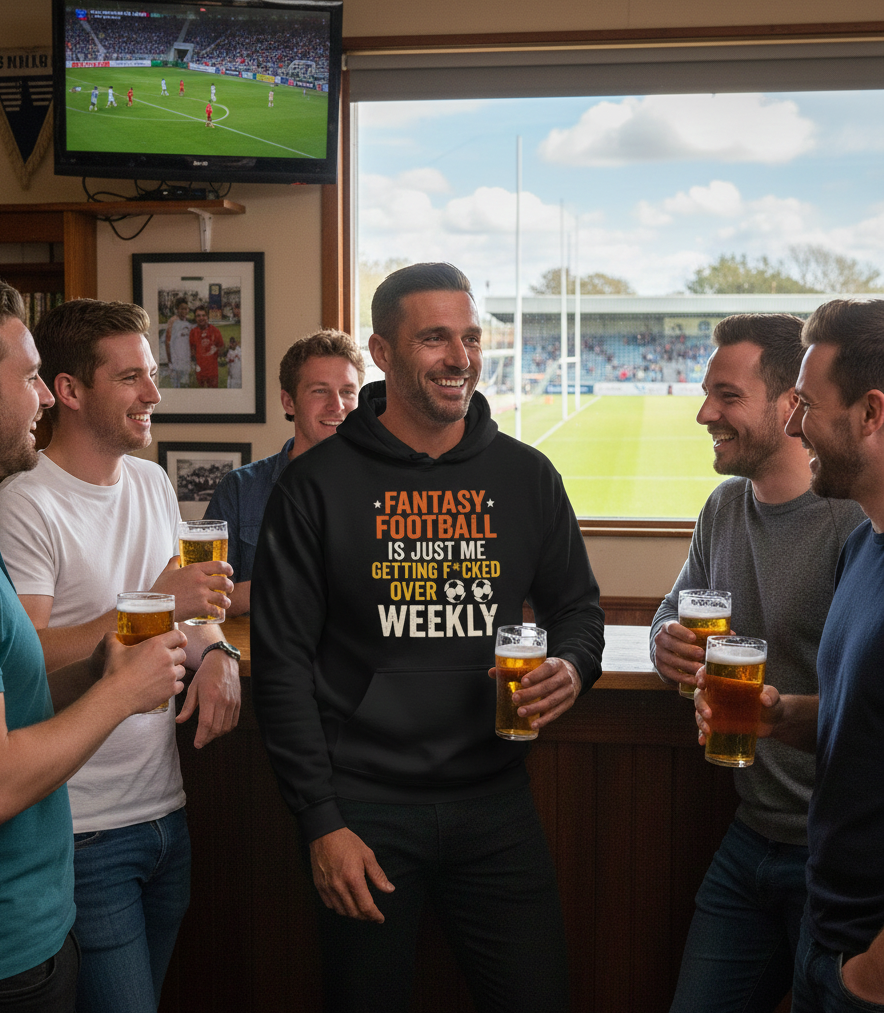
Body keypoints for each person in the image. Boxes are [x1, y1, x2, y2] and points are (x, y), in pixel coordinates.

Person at [251, 263, 604, 1013]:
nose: (461, 356)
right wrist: (321, 822)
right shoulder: (314, 487)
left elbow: (579, 611)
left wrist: (572, 669)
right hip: (365, 813)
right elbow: (280, 666)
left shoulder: (528, 475)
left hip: (497, 806)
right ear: (381, 352)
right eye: (435, 337)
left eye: (471, 336)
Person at [0, 298, 242, 1013]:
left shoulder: (154, 483)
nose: (153, 395)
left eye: (152, 374)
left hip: (164, 809)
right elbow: (27, 657)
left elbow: (183, 616)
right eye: (131, 377)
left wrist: (218, 648)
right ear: (70, 391)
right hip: (84, 827)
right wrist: (147, 601)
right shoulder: (23, 503)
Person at [651, 313, 865, 1013]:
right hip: (748, 838)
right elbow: (670, 616)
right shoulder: (722, 509)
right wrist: (665, 645)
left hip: (832, 860)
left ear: (788, 405)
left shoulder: (856, 527)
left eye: (727, 394)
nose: (704, 411)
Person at [701, 299, 884, 1012]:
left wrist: (871, 972)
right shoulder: (866, 546)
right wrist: (778, 713)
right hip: (827, 931)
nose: (795, 424)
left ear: (870, 413)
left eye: (807, 405)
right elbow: (855, 722)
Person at [205, 329, 363, 615]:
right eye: (320, 390)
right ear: (289, 402)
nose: (337, 405)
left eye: (347, 392)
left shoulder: (385, 487)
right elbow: (205, 599)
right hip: (265, 656)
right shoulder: (239, 490)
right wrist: (288, 584)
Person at [189, 305, 223, 387]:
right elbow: (192, 351)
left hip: (212, 373)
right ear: (195, 318)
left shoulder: (215, 331)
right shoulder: (193, 332)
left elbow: (221, 347)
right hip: (200, 372)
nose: (201, 318)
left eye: (203, 315)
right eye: (198, 316)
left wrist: (215, 351)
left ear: (207, 316)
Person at [164, 298, 192, 388]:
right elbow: (167, 342)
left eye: (186, 308)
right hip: (175, 360)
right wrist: (170, 360)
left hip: (185, 360)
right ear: (177, 309)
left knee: (185, 386)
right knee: (176, 387)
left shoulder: (187, 322)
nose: (184, 311)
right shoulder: (173, 321)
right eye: (182, 308)